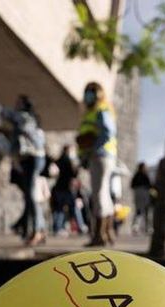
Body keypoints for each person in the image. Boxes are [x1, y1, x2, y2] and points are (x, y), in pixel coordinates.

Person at [76, 82, 117, 247]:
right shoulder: (92, 112)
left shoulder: (101, 110)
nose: (88, 95)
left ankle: (99, 235)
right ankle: (107, 232)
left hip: (100, 156)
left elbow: (108, 132)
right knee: (103, 195)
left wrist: (93, 148)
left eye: (91, 92)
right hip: (99, 156)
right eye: (87, 92)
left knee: (99, 195)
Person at [4, 95, 47, 246]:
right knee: (30, 196)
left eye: (19, 103)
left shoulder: (26, 118)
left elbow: (16, 120)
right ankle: (39, 230)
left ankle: (37, 231)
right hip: (28, 158)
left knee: (31, 195)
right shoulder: (28, 119)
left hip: (32, 157)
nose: (16, 105)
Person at [51, 145, 83, 236]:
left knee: (59, 209)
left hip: (59, 188)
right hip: (66, 188)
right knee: (73, 207)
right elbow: (73, 174)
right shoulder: (68, 161)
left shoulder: (59, 160)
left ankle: (57, 228)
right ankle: (80, 226)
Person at [130, 162, 153, 235]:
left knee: (139, 212)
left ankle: (137, 228)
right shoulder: (144, 175)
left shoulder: (136, 175)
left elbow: (132, 185)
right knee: (144, 211)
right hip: (143, 193)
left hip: (138, 194)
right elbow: (150, 185)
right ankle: (146, 228)